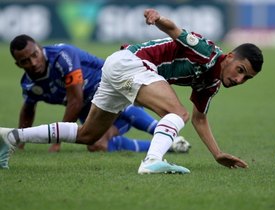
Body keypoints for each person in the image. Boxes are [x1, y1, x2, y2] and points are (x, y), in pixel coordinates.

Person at [0, 9, 263, 173]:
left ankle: (10, 136)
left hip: (119, 68)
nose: (239, 79)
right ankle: (152, 161)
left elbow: (200, 119)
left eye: (246, 78)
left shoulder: (211, 83)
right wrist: (158, 18)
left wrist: (217, 154)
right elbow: (175, 30)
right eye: (240, 70)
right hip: (131, 63)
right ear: (229, 57)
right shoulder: (207, 52)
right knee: (176, 113)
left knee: (89, 135)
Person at [6, 34, 190, 154]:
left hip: (112, 87)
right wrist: (21, 144)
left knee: (119, 100)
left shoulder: (63, 56)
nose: (33, 62)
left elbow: (75, 101)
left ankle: (164, 132)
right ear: (18, 65)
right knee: (97, 145)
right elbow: (28, 108)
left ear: (40, 48)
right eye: (25, 61)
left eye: (35, 55)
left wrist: (57, 142)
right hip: (92, 110)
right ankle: (169, 146)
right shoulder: (29, 84)